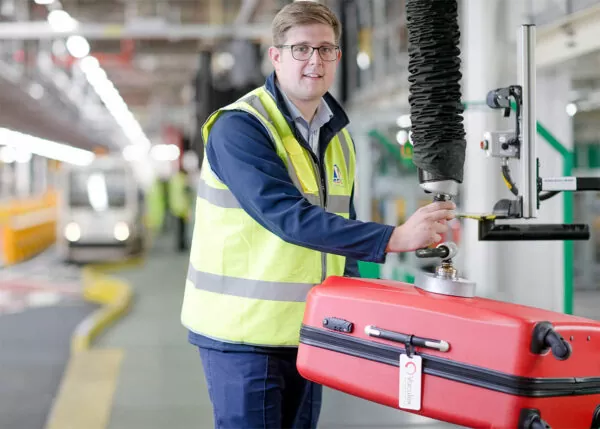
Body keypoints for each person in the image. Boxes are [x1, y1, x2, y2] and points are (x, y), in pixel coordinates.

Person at [180, 2, 456, 428]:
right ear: (275, 56)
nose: (315, 60)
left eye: (326, 49)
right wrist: (394, 238)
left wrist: (361, 319)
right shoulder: (240, 127)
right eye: (301, 49)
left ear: (338, 57)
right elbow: (286, 217)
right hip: (242, 336)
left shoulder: (338, 138)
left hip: (311, 332)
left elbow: (340, 239)